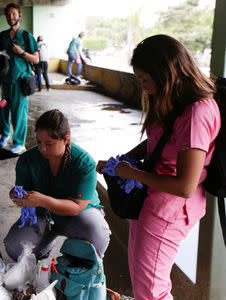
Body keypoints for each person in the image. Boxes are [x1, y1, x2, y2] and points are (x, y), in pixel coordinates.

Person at [96, 34, 220, 300]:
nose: (142, 86)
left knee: (152, 290)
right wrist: (120, 162)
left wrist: (132, 173)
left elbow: (186, 186)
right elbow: (157, 141)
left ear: (166, 73)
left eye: (144, 79)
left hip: (169, 210)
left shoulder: (197, 112)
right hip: (153, 201)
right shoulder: (175, 101)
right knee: (144, 282)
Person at [4, 109, 111, 261]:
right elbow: (25, 196)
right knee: (15, 247)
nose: (42, 148)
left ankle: (82, 258)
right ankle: (45, 246)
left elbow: (77, 206)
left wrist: (42, 200)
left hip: (78, 216)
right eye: (39, 141)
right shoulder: (27, 159)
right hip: (42, 216)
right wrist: (17, 195)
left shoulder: (84, 162)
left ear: (66, 139)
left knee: (96, 233)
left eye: (49, 143)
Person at [0, 3, 39, 154]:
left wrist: (21, 52)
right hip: (4, 81)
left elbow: (36, 59)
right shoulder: (2, 36)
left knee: (19, 112)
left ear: (20, 15)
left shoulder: (27, 36)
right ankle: (5, 134)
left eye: (13, 14)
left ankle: (19, 142)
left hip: (20, 82)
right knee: (3, 108)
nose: (10, 17)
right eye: (8, 15)